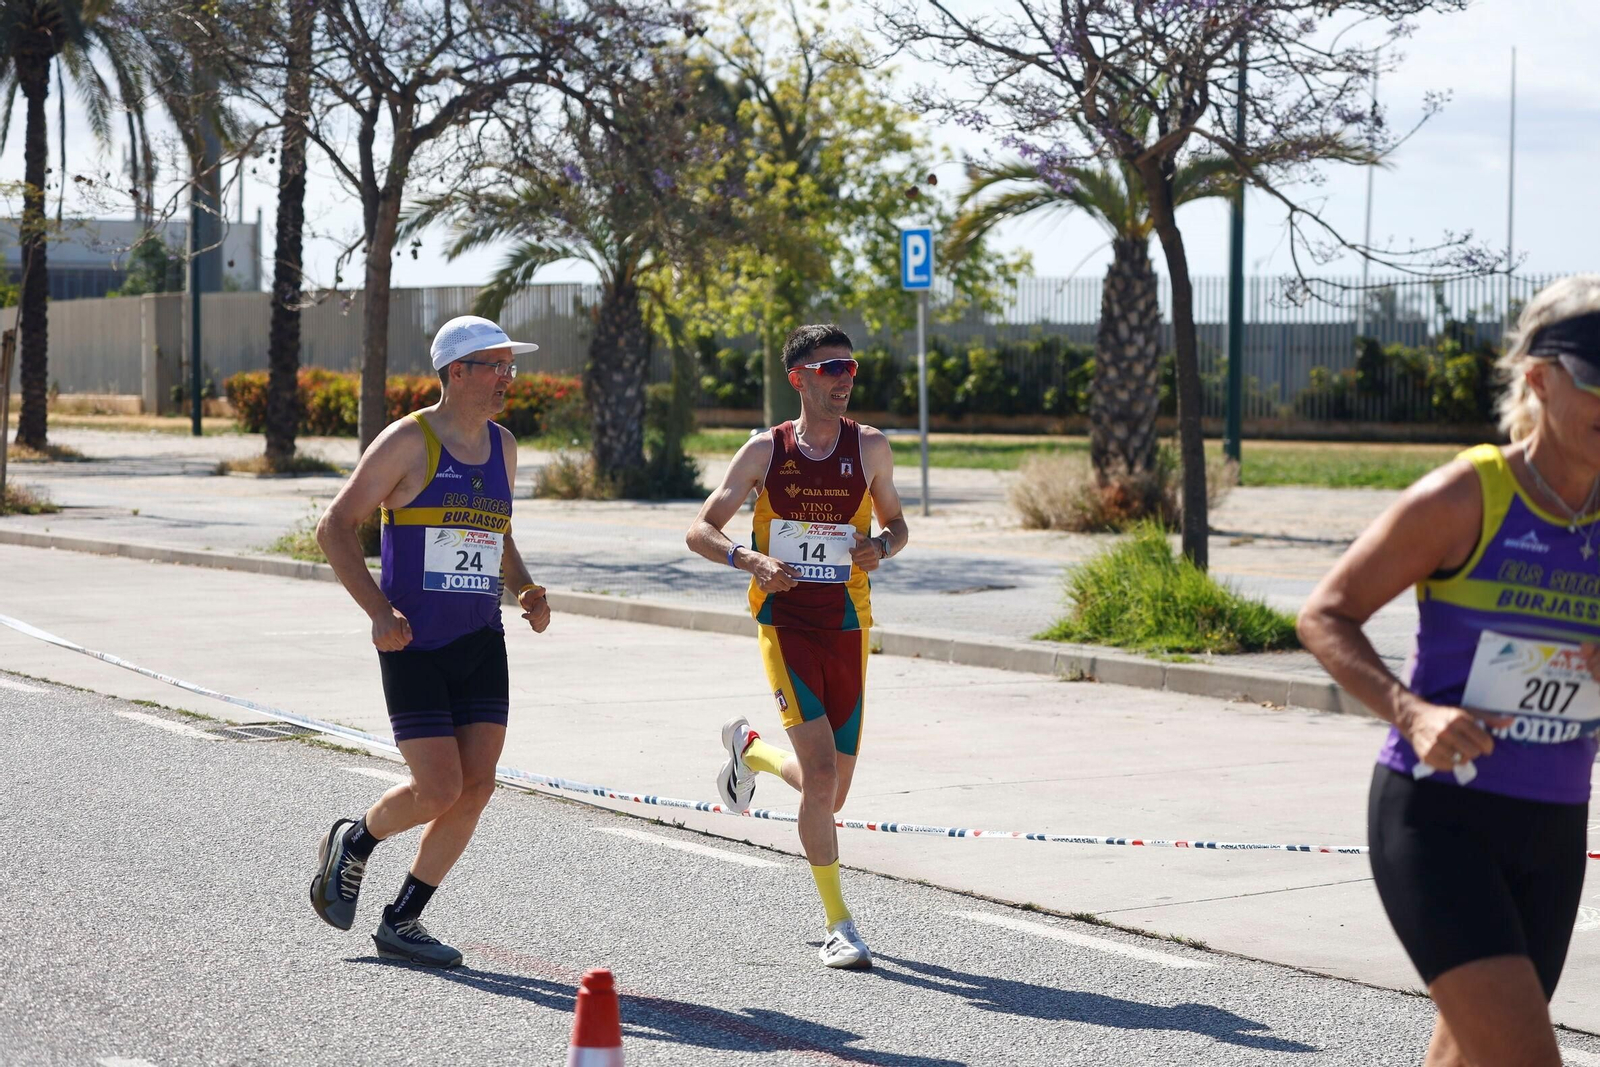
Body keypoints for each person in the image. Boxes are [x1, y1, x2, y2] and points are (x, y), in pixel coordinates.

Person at [1299, 276, 1600, 1066]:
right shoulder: (1470, 494)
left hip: (1556, 825)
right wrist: (1413, 712)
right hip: (1439, 818)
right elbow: (1324, 613)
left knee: (1470, 1054)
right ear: (1539, 378)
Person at [309, 314, 552, 968]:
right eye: (495, 365)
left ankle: (404, 918)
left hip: (480, 640)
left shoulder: (503, 446)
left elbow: (494, 532)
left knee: (478, 786)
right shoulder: (407, 441)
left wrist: (525, 588)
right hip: (413, 642)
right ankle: (357, 840)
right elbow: (335, 527)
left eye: (510, 365)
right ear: (456, 373)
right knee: (439, 787)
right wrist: (378, 610)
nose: (508, 377)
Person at [686, 323, 909, 970]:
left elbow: (897, 524)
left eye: (851, 368)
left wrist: (882, 547)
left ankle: (749, 753)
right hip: (784, 622)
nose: (843, 378)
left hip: (847, 624)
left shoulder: (870, 448)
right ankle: (841, 923)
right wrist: (748, 557)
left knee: (831, 792)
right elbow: (699, 529)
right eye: (830, 367)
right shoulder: (765, 451)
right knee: (819, 779)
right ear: (799, 378)